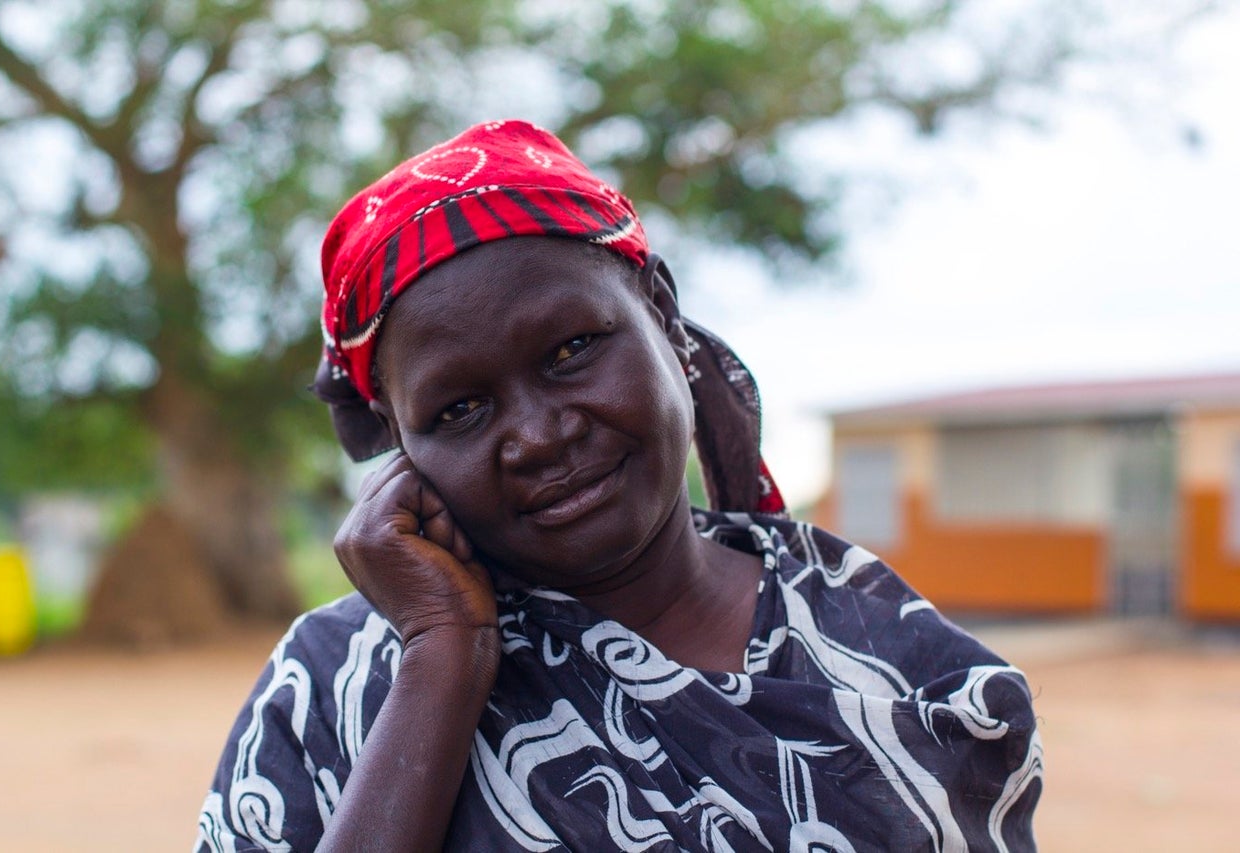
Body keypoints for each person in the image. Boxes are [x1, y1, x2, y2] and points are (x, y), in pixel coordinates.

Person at [196, 120, 1042, 852]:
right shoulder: (331, 684)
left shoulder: (892, 663)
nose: (536, 434)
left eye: (571, 351)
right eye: (459, 408)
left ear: (664, 317)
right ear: (402, 449)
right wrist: (444, 658)